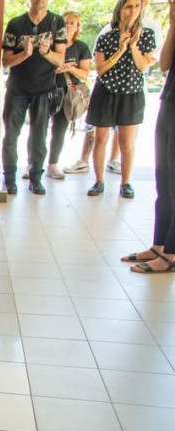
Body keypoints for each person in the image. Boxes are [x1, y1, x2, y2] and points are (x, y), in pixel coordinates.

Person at [124, 0, 175, 273]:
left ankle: (172, 254)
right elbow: (165, 63)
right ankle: (160, 245)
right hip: (170, 100)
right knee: (163, 178)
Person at [87, 0, 155, 199]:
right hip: (106, 91)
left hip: (131, 93)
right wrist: (120, 49)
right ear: (120, 10)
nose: (132, 11)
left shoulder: (147, 35)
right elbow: (100, 70)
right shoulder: (106, 37)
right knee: (100, 138)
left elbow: (143, 67)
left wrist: (133, 47)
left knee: (127, 143)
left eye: (136, 6)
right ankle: (98, 181)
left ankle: (125, 183)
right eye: (128, 6)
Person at [0, 0, 67, 195]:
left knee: (40, 137)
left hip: (44, 89)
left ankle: (36, 177)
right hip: (17, 89)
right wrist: (24, 54)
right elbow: (6, 60)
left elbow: (60, 59)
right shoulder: (16, 24)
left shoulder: (57, 22)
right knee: (11, 134)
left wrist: (46, 53)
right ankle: (10, 177)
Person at [44, 12, 91, 181]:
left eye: (73, 23)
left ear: (78, 27)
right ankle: (32, 163)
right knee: (40, 126)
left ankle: (52, 164)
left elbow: (85, 73)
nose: (69, 25)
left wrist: (68, 68)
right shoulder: (50, 44)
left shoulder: (81, 47)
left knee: (59, 130)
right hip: (47, 90)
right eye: (66, 22)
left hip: (67, 95)